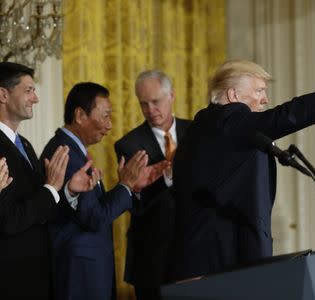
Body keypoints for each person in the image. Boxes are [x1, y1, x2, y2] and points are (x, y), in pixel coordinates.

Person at [171, 39, 315, 281]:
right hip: (215, 269)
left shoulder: (205, 125)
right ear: (233, 95)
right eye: (259, 91)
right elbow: (289, 114)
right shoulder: (228, 121)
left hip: (202, 263)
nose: (265, 100)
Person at [40, 82, 167, 300]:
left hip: (87, 267)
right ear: (80, 115)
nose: (109, 126)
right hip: (78, 271)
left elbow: (90, 208)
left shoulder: (74, 151)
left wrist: (129, 187)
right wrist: (125, 186)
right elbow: (94, 218)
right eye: (105, 116)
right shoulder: (64, 154)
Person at [0, 62, 99, 300]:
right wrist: (51, 188)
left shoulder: (24, 144)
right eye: (28, 90)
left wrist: (66, 192)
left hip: (37, 274)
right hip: (11, 279)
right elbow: (8, 220)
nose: (35, 98)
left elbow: (41, 208)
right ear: (3, 94)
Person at [114, 70, 191, 299]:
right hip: (152, 259)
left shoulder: (196, 131)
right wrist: (166, 176)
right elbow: (136, 205)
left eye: (156, 101)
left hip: (194, 250)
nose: (150, 110)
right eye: (143, 104)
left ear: (172, 96)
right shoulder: (129, 145)